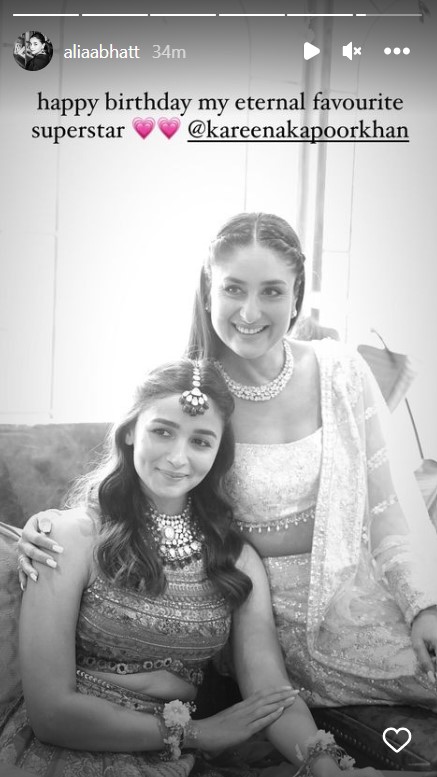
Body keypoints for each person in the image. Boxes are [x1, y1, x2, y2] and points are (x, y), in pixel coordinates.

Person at [18, 213, 437, 712]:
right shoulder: (198, 399)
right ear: (208, 291)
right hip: (266, 622)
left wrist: (422, 605)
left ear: (296, 297)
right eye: (234, 289)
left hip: (371, 591)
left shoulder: (344, 371)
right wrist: (49, 525)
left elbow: (388, 512)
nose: (250, 312)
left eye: (272, 292)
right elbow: (140, 486)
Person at [1, 358, 380, 777]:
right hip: (68, 749)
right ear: (130, 431)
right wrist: (197, 733)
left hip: (174, 758)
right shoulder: (66, 538)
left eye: (200, 441)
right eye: (162, 432)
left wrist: (324, 765)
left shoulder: (235, 559)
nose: (178, 458)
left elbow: (270, 693)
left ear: (219, 453)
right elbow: (50, 713)